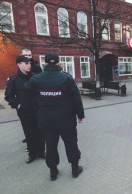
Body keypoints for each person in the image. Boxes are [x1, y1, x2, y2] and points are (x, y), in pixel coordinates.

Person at [25, 52, 85, 181]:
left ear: (45, 63)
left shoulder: (37, 79)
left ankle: (53, 172)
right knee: (71, 143)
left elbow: (27, 90)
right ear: (58, 63)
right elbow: (76, 98)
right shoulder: (66, 78)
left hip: (47, 121)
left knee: (51, 145)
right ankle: (75, 169)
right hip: (66, 120)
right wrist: (80, 114)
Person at [5, 55, 45, 164]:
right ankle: (32, 154)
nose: (29, 65)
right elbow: (8, 96)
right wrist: (17, 105)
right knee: (29, 133)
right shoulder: (14, 80)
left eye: (30, 63)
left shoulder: (35, 77)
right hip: (25, 112)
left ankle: (41, 152)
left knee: (40, 132)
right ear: (19, 65)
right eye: (26, 63)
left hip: (38, 110)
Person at [20, 48, 42, 145]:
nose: (28, 57)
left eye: (29, 55)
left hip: (35, 99)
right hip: (24, 100)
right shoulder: (20, 66)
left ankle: (38, 141)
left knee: (36, 122)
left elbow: (40, 82)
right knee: (26, 123)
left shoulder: (36, 68)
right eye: (25, 55)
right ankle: (29, 138)